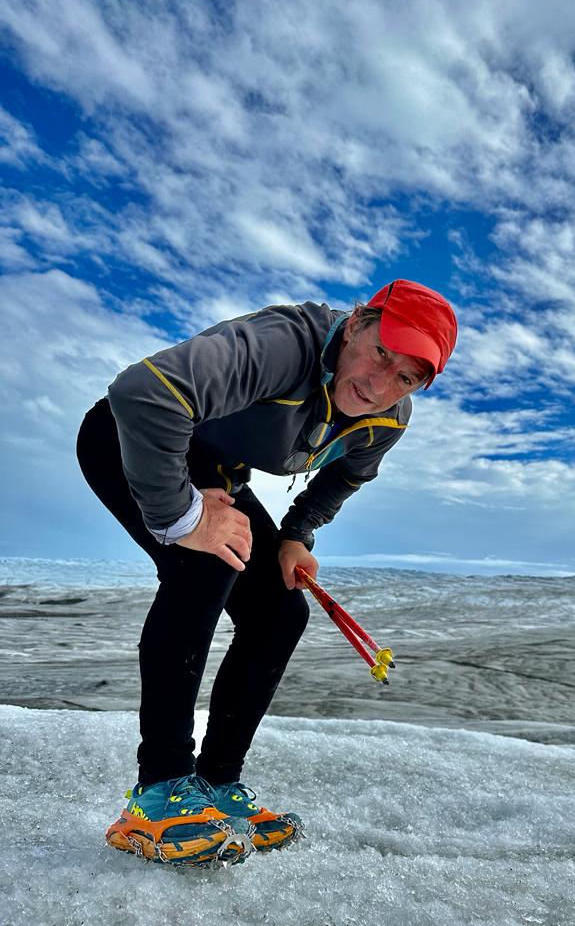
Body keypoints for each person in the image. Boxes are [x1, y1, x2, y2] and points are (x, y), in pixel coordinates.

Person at [77, 279, 458, 866]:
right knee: (204, 567)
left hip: (216, 467)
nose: (379, 384)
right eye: (381, 351)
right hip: (132, 433)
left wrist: (295, 537)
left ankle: (215, 785)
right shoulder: (283, 345)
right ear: (357, 322)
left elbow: (345, 476)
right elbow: (144, 391)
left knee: (279, 611)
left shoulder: (389, 418)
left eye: (406, 376)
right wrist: (181, 518)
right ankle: (157, 798)